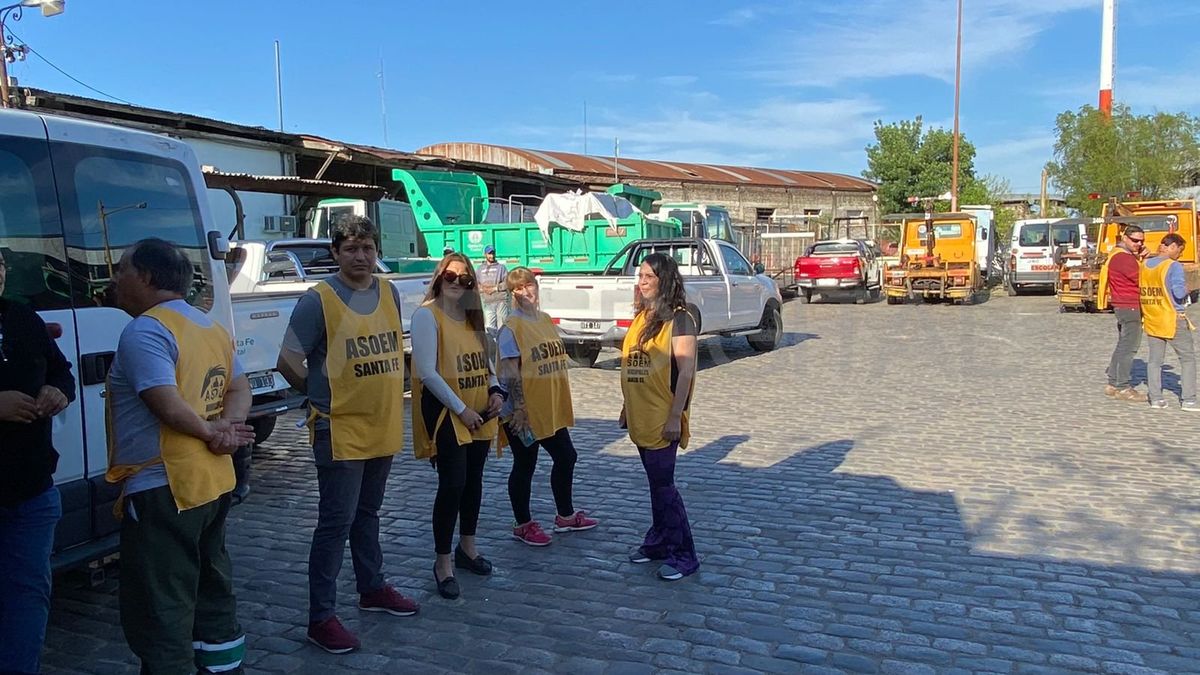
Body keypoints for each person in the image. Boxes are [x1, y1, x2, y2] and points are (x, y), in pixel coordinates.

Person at [106, 238, 256, 674]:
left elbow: (164, 400)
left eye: (122, 270)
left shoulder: (147, 329)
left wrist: (213, 430)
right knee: (212, 589)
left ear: (148, 277)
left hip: (164, 487)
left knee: (161, 605)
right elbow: (238, 388)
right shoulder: (209, 327)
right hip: (212, 482)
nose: (115, 280)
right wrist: (225, 431)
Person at [277, 216, 418, 654]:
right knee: (335, 522)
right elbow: (287, 360)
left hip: (382, 423)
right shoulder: (319, 299)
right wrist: (320, 395)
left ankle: (372, 587)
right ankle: (321, 617)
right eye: (352, 248)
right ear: (335, 253)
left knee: (368, 513)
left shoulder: (389, 292)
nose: (361, 256)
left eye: (368, 247)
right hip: (339, 429)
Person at [410, 253, 504, 599]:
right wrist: (461, 408)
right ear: (439, 275)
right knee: (452, 484)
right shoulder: (427, 316)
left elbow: (486, 361)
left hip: (479, 409)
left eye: (465, 279)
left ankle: (468, 547)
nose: (457, 283)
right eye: (451, 275)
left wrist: (495, 390)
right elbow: (427, 371)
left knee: (473, 482)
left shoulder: (471, 318)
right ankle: (443, 561)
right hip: (448, 412)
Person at [0, 248, 76, 674]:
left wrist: (58, 389)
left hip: (31, 492)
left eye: (0, 266)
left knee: (28, 596)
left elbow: (60, 370)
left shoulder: (21, 318)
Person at [497, 267, 597, 547]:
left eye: (528, 285)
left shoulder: (543, 320)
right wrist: (519, 408)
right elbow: (509, 372)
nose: (525, 291)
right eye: (517, 288)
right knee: (525, 464)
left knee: (566, 457)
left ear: (536, 286)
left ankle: (565, 516)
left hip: (548, 406)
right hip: (523, 411)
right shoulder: (511, 328)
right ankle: (523, 524)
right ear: (511, 293)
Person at [619, 253, 700, 581]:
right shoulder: (643, 316)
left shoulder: (680, 319)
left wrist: (674, 416)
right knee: (655, 486)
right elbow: (632, 363)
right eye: (640, 275)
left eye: (649, 276)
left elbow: (685, 372)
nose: (642, 281)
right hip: (640, 415)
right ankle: (659, 541)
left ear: (664, 280)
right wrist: (627, 405)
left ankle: (684, 554)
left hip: (662, 416)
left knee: (665, 488)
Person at [1140, 233, 1197, 410]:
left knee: (1154, 360)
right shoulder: (1173, 266)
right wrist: (1190, 288)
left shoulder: (1145, 265)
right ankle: (1189, 400)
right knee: (1187, 359)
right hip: (1172, 318)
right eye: (1179, 251)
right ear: (1172, 247)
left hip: (1152, 317)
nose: (1179, 255)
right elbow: (1179, 293)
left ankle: (1156, 398)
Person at [1097, 225, 1146, 400]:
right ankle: (1123, 386)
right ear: (1124, 238)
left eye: (1141, 241)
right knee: (1129, 346)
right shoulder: (1124, 259)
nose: (1139, 244)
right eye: (1135, 240)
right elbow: (1142, 278)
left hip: (1122, 305)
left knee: (1122, 344)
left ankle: (1113, 383)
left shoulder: (1117, 256)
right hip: (1130, 305)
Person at [477, 245, 508, 333]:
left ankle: (502, 346)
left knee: (503, 327)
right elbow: (476, 283)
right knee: (489, 328)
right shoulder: (480, 269)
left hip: (500, 301)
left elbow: (507, 283)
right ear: (485, 254)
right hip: (487, 302)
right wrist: (483, 289)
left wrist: (495, 288)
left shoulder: (501, 268)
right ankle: (492, 346)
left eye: (493, 253)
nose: (492, 256)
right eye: (489, 254)